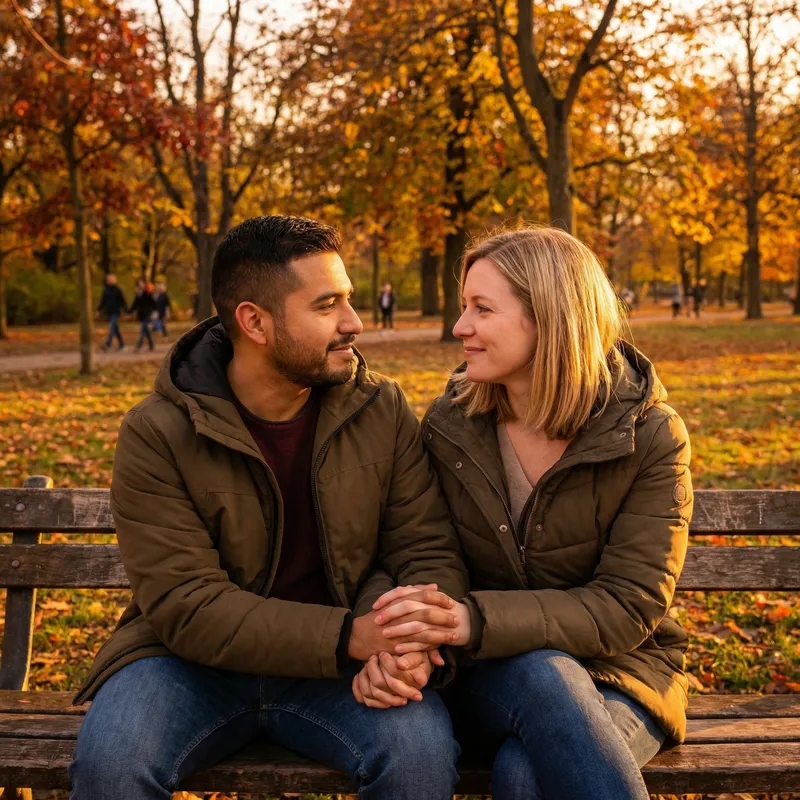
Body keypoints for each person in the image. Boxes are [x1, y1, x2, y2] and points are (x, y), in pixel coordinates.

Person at [68, 215, 469, 800]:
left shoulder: (379, 408)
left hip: (344, 670)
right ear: (254, 321)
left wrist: (405, 643)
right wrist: (349, 637)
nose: (353, 323)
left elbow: (424, 546)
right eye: (327, 305)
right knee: (112, 765)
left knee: (418, 756)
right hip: (186, 665)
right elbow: (188, 605)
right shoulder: (157, 433)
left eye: (349, 300)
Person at [357, 227, 693, 800]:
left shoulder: (648, 435)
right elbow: (416, 551)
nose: (460, 326)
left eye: (481, 309)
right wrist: (403, 641)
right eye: (464, 306)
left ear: (551, 318)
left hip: (620, 671)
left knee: (523, 776)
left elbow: (627, 604)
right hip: (490, 675)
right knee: (543, 673)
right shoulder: (450, 426)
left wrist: (472, 620)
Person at [96, 274, 127, 351]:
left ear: (114, 280)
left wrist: (127, 312)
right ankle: (122, 344)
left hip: (116, 312)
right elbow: (102, 301)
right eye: (108, 279)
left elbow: (123, 301)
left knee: (112, 327)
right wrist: (98, 310)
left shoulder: (118, 289)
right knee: (115, 329)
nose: (109, 281)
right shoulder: (106, 290)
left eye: (111, 279)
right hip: (109, 312)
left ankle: (107, 344)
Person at [129, 278, 158, 352]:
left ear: (144, 283)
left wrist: (155, 312)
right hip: (141, 315)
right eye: (139, 283)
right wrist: (129, 312)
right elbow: (135, 304)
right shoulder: (138, 293)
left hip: (148, 313)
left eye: (141, 283)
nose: (140, 284)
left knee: (143, 329)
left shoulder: (148, 292)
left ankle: (138, 346)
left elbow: (153, 303)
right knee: (147, 330)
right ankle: (152, 345)